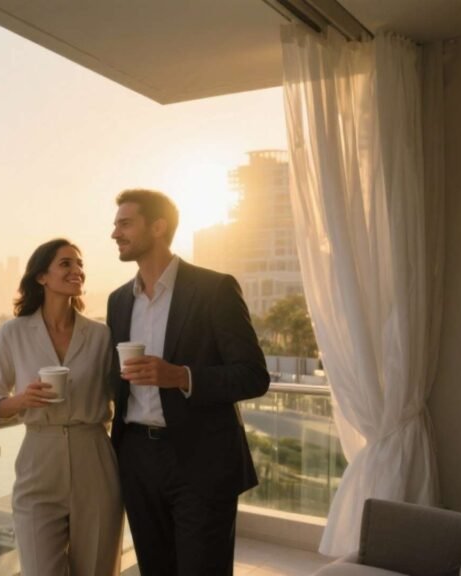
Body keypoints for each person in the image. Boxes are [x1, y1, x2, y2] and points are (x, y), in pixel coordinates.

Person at [107, 189, 269, 575]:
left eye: (125, 223)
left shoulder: (214, 289)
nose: (115, 233)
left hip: (200, 461)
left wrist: (181, 376)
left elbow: (253, 375)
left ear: (158, 227)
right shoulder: (117, 301)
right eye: (115, 225)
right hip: (136, 459)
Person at [0, 238, 122, 576]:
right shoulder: (13, 333)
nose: (77, 271)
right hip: (38, 459)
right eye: (66, 264)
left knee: (98, 569)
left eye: (80, 264)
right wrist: (20, 401)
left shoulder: (100, 334)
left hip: (95, 456)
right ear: (42, 277)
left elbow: (120, 392)